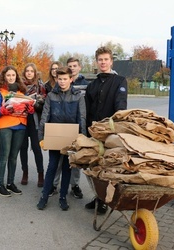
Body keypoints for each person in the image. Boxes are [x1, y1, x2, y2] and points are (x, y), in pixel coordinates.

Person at [84, 46, 128, 214]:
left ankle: (107, 199)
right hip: (94, 133)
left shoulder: (120, 81)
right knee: (95, 166)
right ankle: (98, 198)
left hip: (110, 133)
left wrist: (116, 128)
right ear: (97, 62)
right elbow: (87, 110)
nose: (103, 62)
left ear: (111, 61)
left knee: (109, 167)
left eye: (106, 59)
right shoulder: (92, 85)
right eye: (100, 60)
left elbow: (120, 106)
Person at [36, 66, 86, 211]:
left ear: (71, 79)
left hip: (71, 138)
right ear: (56, 79)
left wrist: (82, 140)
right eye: (60, 79)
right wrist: (41, 137)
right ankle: (44, 195)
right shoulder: (52, 96)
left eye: (65, 79)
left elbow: (81, 118)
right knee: (52, 166)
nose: (62, 82)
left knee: (67, 168)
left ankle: (63, 197)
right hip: (55, 136)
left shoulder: (78, 96)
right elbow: (44, 117)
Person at [0, 65, 34, 197]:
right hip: (4, 125)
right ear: (4, 76)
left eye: (13, 75)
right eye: (8, 75)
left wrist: (30, 109)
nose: (11, 78)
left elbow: (28, 108)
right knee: (4, 155)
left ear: (16, 77)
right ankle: (0, 185)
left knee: (14, 157)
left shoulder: (22, 92)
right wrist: (5, 109)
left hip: (20, 125)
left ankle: (10, 182)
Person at [52, 58, 89, 198]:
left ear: (79, 68)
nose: (72, 68)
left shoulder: (85, 85)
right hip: (59, 128)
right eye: (70, 66)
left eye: (74, 66)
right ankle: (54, 185)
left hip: (75, 127)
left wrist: (83, 133)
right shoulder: (57, 87)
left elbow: (83, 112)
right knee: (58, 160)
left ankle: (75, 185)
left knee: (74, 160)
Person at [19, 63, 46, 187]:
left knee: (36, 147)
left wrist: (35, 102)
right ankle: (25, 173)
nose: (29, 73)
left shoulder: (41, 86)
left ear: (35, 73)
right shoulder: (20, 86)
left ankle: (41, 174)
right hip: (22, 119)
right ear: (24, 73)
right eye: (27, 71)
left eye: (31, 71)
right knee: (23, 147)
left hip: (35, 120)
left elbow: (44, 105)